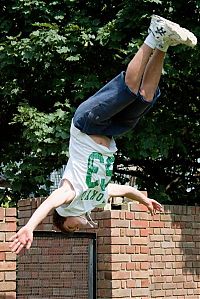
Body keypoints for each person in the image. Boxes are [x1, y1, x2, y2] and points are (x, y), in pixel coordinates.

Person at [9, 15, 197, 254]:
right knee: (146, 97)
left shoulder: (70, 196)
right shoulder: (94, 197)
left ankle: (153, 34)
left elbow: (49, 202)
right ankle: (164, 42)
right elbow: (124, 190)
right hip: (111, 133)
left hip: (87, 125)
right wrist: (144, 200)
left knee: (128, 91)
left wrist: (29, 226)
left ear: (65, 218)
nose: (79, 227)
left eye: (72, 228)